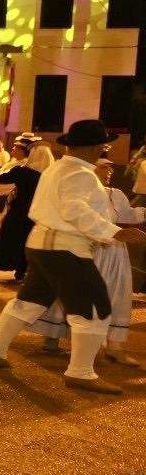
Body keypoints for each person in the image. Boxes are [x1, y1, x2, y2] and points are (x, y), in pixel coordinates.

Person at [0, 120, 146, 395]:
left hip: (42, 245)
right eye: (103, 145)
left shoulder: (57, 167)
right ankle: (81, 372)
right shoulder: (80, 173)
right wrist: (113, 232)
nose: (104, 150)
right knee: (95, 307)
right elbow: (74, 209)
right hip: (66, 248)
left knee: (28, 302)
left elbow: (69, 208)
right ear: (94, 147)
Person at [28, 156, 145, 370]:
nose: (109, 171)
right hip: (86, 248)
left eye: (111, 167)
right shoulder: (81, 188)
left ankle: (115, 347)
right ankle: (53, 337)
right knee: (71, 292)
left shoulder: (116, 194)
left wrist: (141, 213)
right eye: (103, 167)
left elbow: (128, 214)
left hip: (115, 251)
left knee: (117, 294)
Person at [0, 138, 45, 283]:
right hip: (37, 213)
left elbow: (1, 179)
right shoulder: (48, 175)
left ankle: (19, 272)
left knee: (16, 240)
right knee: (29, 242)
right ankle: (25, 272)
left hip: (20, 211)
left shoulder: (24, 171)